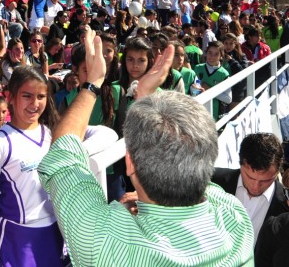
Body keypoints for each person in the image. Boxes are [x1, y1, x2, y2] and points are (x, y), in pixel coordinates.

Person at [38, 27, 255, 266]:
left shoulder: (105, 243)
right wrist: (146, 96)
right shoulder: (234, 217)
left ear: (129, 162)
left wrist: (92, 83)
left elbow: (63, 151)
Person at [0, 65, 118, 266]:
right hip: (18, 240)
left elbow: (108, 135)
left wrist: (72, 151)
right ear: (10, 96)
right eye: (27, 96)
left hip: (57, 233)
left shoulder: (52, 133)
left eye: (41, 96)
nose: (35, 103)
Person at [212, 133, 288, 241]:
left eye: (266, 180)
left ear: (277, 172)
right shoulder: (212, 181)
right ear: (240, 163)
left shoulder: (285, 207)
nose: (256, 186)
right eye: (250, 177)